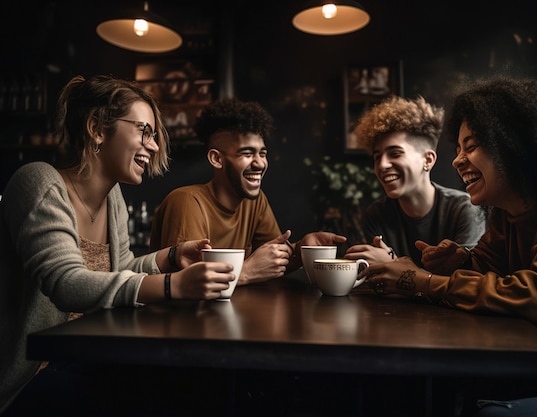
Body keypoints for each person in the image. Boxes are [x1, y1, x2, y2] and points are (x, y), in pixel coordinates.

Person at [360, 77, 537, 416]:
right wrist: (461, 261)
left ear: (514, 144)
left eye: (470, 146)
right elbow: (490, 268)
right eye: (457, 149)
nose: (457, 161)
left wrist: (421, 280)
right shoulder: (508, 209)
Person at [0, 75, 237, 414]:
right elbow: (66, 282)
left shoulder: (112, 197)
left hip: (85, 356)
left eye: (154, 136)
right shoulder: (38, 182)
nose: (153, 146)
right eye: (144, 131)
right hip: (32, 375)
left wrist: (170, 258)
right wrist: (171, 286)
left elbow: (121, 267)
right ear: (97, 128)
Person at [149, 98, 346, 284]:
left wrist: (301, 249)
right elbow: (188, 283)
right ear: (217, 159)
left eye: (262, 153)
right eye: (247, 153)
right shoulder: (186, 202)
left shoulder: (256, 201)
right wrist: (247, 271)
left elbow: (270, 263)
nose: (260, 163)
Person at [344, 95, 485, 266]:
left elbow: (464, 281)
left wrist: (393, 265)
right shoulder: (376, 215)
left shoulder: (464, 209)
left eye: (395, 153)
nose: (382, 165)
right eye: (377, 157)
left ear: (428, 160)